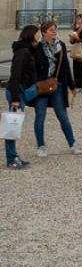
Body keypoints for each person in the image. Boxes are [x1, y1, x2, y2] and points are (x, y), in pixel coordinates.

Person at [33, 19, 81, 157]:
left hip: (57, 85)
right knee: (40, 116)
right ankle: (41, 146)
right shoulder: (37, 47)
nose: (54, 31)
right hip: (41, 86)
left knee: (62, 116)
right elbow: (32, 67)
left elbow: (65, 66)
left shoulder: (61, 46)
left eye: (55, 29)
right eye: (51, 30)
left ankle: (73, 144)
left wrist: (72, 85)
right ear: (43, 33)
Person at [5, 24, 40, 169]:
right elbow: (15, 75)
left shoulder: (27, 50)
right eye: (38, 33)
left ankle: (14, 156)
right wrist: (15, 98)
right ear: (32, 34)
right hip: (16, 91)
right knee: (12, 125)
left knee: (15, 125)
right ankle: (11, 159)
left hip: (20, 90)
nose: (40, 36)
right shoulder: (23, 52)